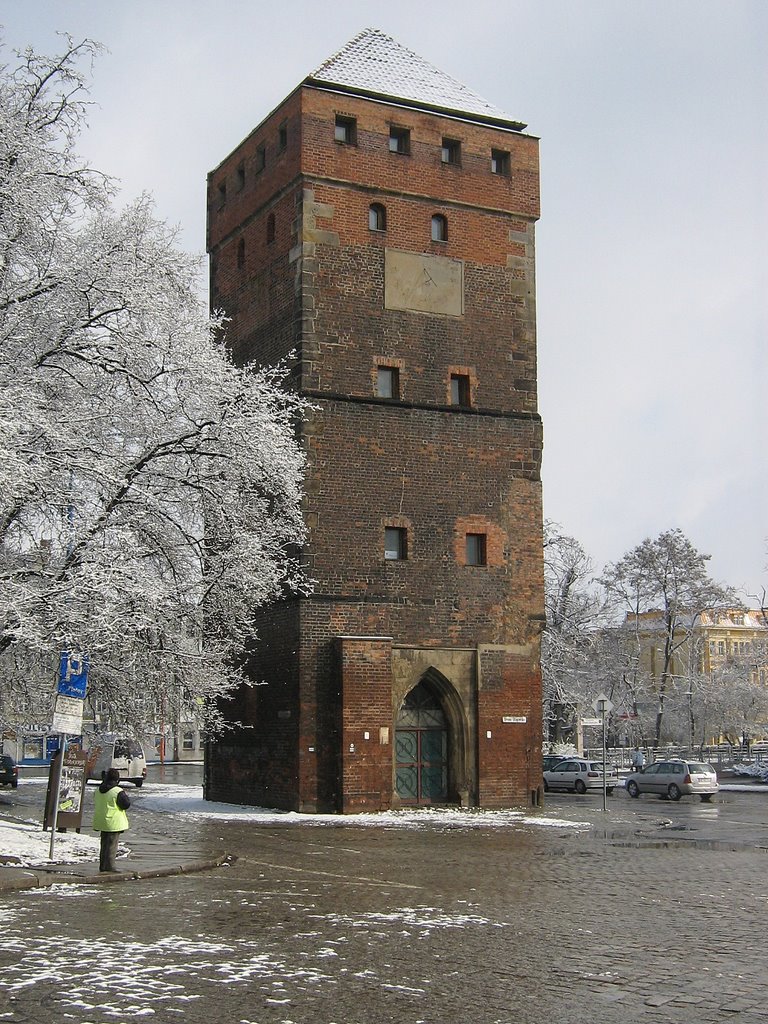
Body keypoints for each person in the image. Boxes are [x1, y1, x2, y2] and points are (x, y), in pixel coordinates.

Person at [92, 767, 130, 872]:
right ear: (117, 779)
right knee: (112, 845)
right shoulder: (117, 791)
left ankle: (103, 866)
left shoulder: (98, 790)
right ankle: (110, 866)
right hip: (113, 822)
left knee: (104, 844)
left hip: (101, 820)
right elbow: (126, 804)